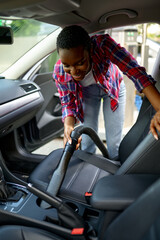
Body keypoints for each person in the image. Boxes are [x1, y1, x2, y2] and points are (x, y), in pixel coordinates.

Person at [53, 25, 160, 159]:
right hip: (87, 94)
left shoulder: (103, 45)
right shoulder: (59, 71)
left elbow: (135, 72)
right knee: (86, 142)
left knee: (114, 145)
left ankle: (115, 170)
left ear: (90, 51)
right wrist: (68, 125)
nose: (74, 72)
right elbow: (67, 102)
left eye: (80, 63)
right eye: (67, 65)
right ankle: (88, 168)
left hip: (113, 89)